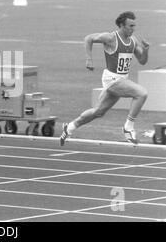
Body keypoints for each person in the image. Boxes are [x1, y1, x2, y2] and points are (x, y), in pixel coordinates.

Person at [60, 11, 149, 146]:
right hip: (112, 79)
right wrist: (89, 59)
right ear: (121, 25)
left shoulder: (133, 40)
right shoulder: (110, 38)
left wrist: (146, 50)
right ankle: (128, 128)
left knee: (98, 112)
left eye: (134, 26)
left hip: (121, 80)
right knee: (141, 93)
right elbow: (88, 38)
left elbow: (142, 61)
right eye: (130, 26)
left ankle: (70, 127)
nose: (133, 29)